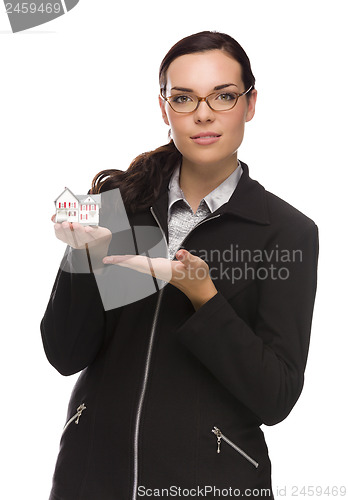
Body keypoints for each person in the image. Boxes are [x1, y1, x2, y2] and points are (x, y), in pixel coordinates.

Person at [41, 31, 319, 500]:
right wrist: (82, 259)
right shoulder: (119, 207)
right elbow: (64, 354)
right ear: (164, 107)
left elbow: (276, 396)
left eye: (223, 96)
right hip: (92, 476)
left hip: (213, 485)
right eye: (184, 97)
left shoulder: (285, 232)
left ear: (250, 104)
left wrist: (203, 298)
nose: (203, 113)